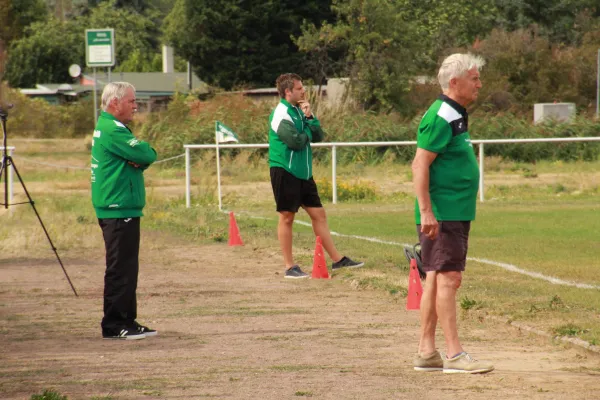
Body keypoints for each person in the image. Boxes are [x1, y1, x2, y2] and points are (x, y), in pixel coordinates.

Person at [411, 54, 494, 373]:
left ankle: (427, 351)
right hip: (443, 213)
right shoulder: (441, 114)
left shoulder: (454, 114)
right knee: (449, 277)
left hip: (452, 211)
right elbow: (420, 164)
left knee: (435, 276)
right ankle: (455, 355)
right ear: (454, 82)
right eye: (474, 78)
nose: (479, 83)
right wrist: (427, 211)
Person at [268, 73, 364, 278]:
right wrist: (308, 133)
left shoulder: (299, 111)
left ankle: (338, 260)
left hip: (304, 173)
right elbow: (295, 141)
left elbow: (318, 136)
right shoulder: (280, 114)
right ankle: (289, 266)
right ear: (288, 91)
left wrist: (310, 116)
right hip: (285, 170)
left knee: (319, 215)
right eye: (300, 88)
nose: (304, 91)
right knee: (287, 217)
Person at [91, 82, 158, 340]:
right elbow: (146, 153)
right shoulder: (112, 129)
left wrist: (138, 161)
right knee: (120, 268)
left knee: (128, 267)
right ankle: (114, 323)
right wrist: (141, 158)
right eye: (131, 101)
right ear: (114, 102)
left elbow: (139, 158)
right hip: (117, 207)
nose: (135, 106)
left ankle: (127, 319)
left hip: (121, 205)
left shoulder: (112, 127)